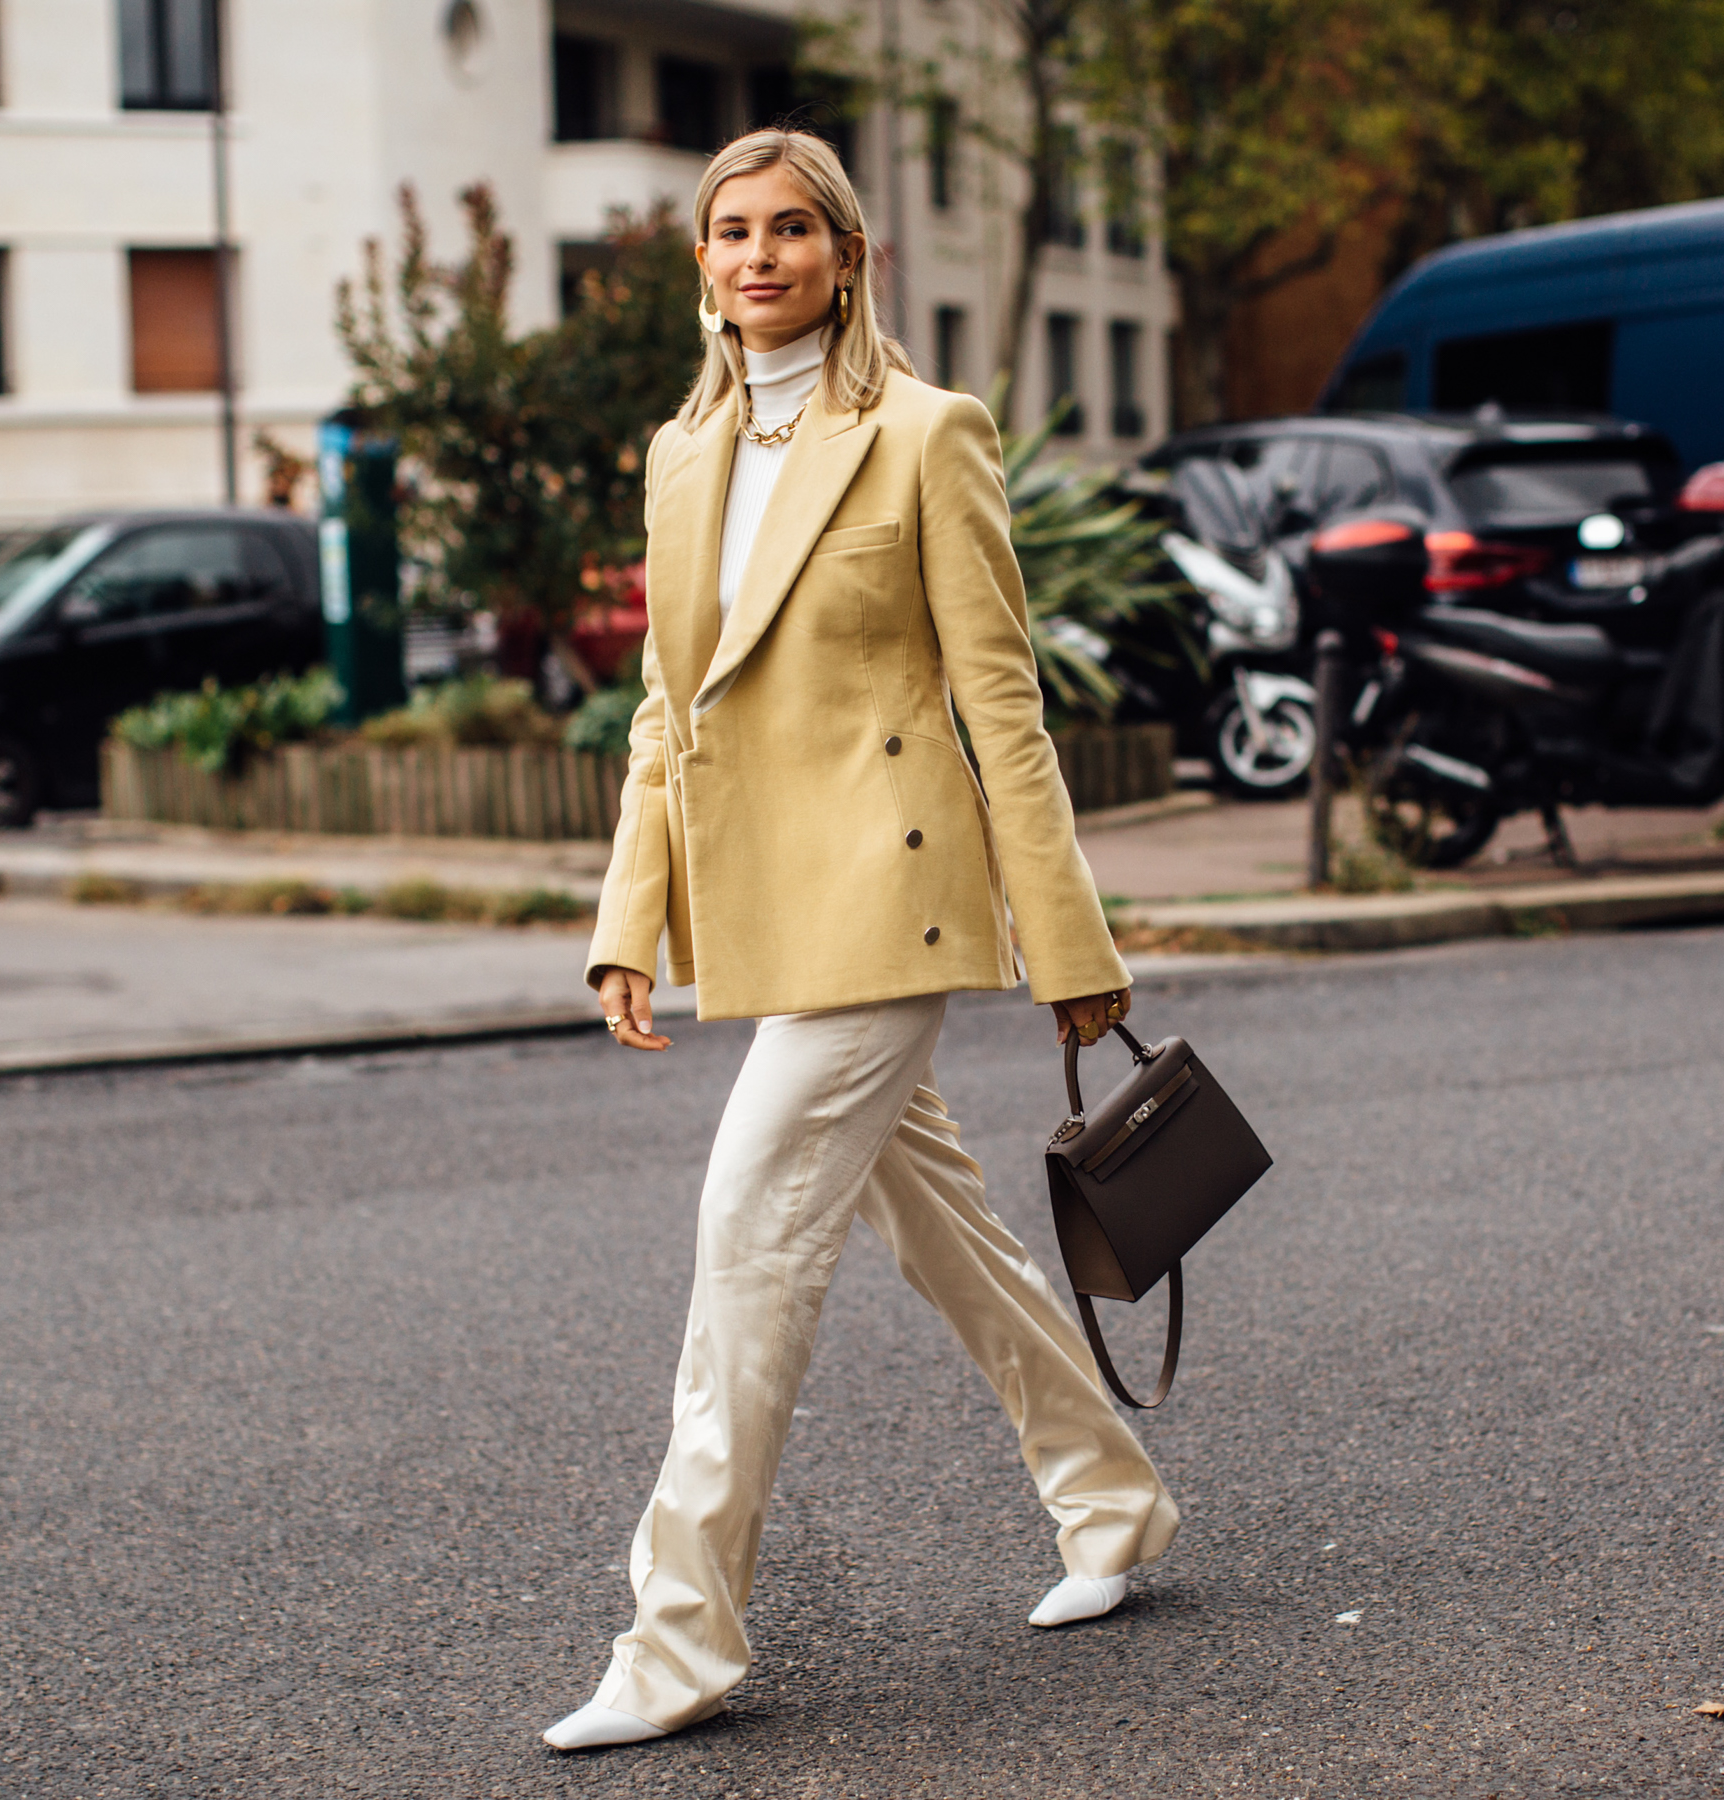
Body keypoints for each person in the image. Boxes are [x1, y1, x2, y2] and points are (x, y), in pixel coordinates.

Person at [542, 128, 1178, 1753]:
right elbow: (662, 714)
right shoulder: (681, 457)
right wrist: (633, 917)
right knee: (941, 1231)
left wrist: (1069, 939)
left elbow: (1001, 708)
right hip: (769, 910)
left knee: (747, 1228)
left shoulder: (923, 435)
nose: (758, 257)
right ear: (705, 264)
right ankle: (1110, 1500)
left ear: (849, 255)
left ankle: (677, 1638)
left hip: (893, 894)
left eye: (791, 231)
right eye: (729, 232)